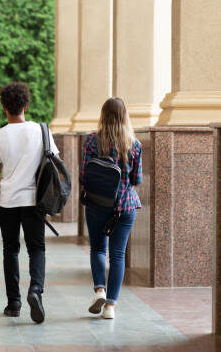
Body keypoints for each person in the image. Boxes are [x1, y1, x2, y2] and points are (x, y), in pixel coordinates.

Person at [0, 82, 58, 324]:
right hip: (34, 201)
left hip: (7, 203)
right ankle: (35, 291)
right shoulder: (42, 131)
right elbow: (53, 166)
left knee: (11, 250)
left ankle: (13, 303)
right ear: (26, 105)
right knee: (36, 249)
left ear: (3, 107)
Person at [80, 98, 142, 320]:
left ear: (103, 114)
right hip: (125, 205)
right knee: (118, 255)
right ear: (125, 115)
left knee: (98, 249)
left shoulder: (91, 141)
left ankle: (99, 290)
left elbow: (83, 176)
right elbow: (137, 179)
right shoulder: (134, 144)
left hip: (97, 204)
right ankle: (111, 308)